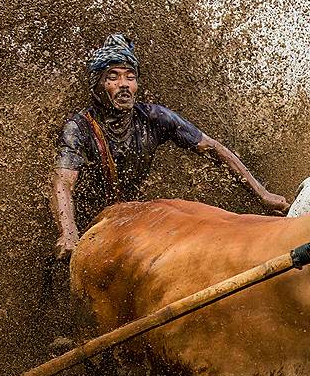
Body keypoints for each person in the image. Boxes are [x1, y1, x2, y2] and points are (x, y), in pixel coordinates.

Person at [49, 34, 290, 260]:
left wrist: (263, 195)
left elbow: (213, 149)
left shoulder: (155, 118)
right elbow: (63, 182)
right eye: (113, 77)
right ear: (97, 85)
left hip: (125, 217)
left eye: (130, 77)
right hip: (82, 224)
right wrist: (68, 231)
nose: (124, 84)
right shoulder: (79, 128)